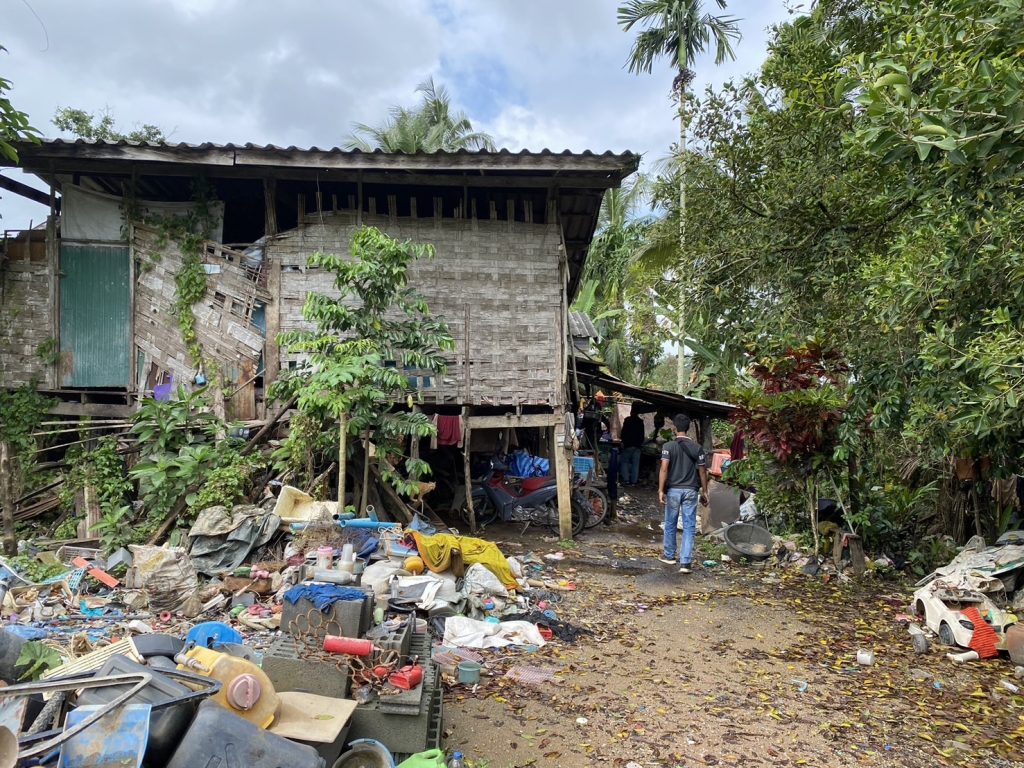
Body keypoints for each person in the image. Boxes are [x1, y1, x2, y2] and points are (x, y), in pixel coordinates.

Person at [658, 413, 709, 574]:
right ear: (688, 428)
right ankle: (685, 563)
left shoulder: (668, 446)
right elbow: (702, 471)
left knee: (670, 522)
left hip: (673, 490)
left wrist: (661, 489)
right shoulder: (697, 448)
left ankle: (669, 555)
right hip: (691, 490)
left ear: (674, 428)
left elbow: (664, 469)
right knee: (689, 526)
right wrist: (705, 491)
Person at [619, 403, 645, 486]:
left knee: (624, 462)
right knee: (635, 464)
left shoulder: (628, 420)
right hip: (637, 446)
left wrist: (623, 442)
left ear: (631, 411)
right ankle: (634, 481)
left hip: (628, 445)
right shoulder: (640, 422)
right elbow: (642, 436)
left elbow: (623, 433)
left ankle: (626, 479)